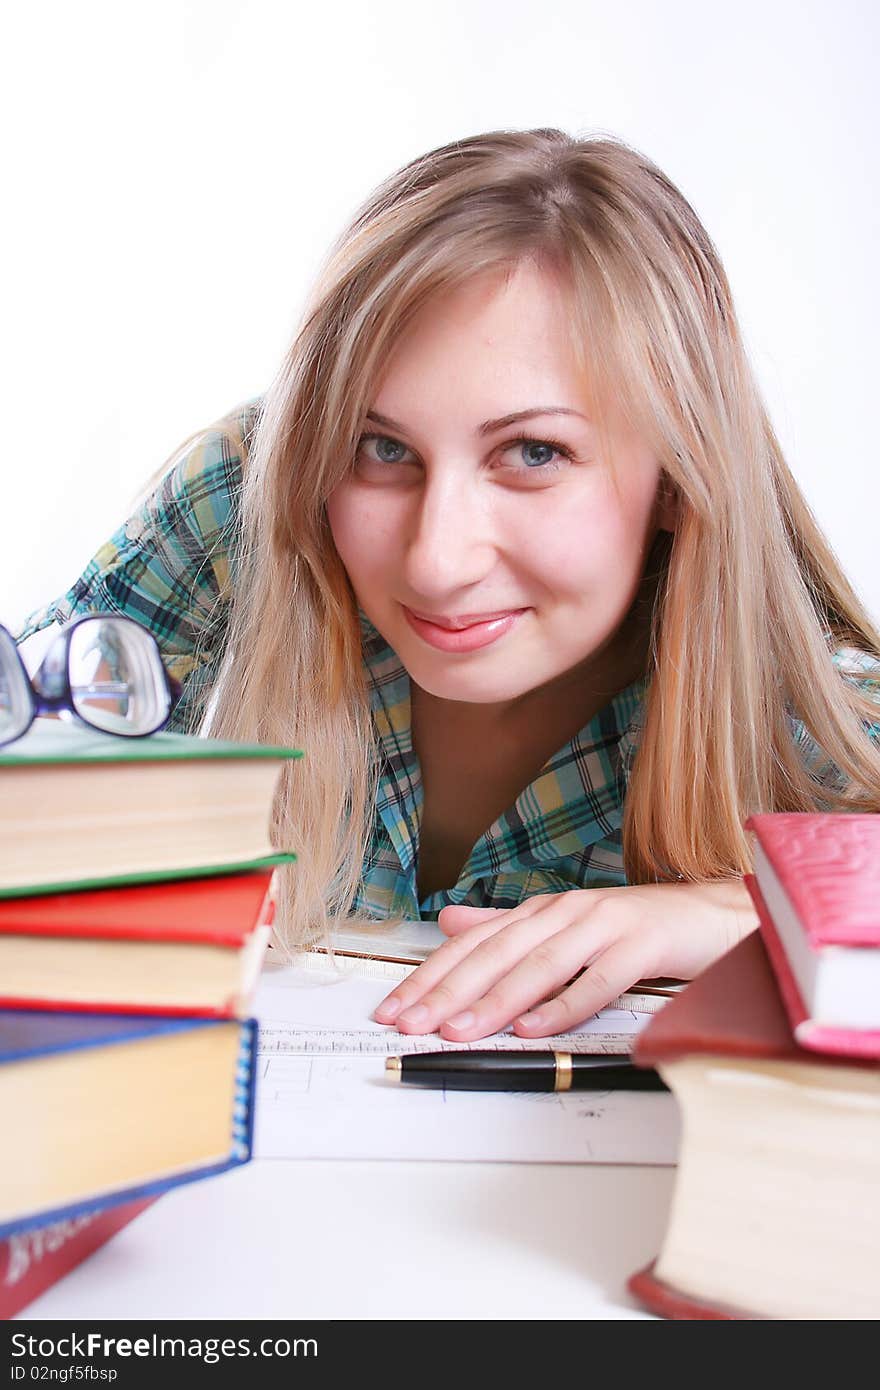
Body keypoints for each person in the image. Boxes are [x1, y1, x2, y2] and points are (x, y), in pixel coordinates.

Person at [17, 128, 880, 1044]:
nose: (436, 561)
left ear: (675, 474)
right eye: (383, 448)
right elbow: (25, 749)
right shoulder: (253, 491)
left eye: (533, 453)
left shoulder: (781, 699)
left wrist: (738, 913)